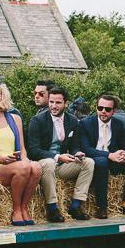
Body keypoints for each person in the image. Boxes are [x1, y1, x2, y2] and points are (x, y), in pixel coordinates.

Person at [0, 81, 42, 225]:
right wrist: (2, 159)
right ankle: (16, 209)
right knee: (23, 168)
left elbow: (22, 147)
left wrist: (24, 158)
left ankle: (24, 208)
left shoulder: (16, 119)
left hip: (15, 163)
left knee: (36, 167)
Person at [27, 86, 94, 222]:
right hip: (43, 163)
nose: (53, 106)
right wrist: (57, 157)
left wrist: (77, 153)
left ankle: (76, 206)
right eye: (51, 102)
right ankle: (52, 208)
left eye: (58, 103)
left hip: (62, 165)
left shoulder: (72, 120)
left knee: (89, 162)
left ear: (66, 104)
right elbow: (33, 150)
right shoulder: (37, 120)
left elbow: (74, 146)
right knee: (50, 163)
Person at [77, 94, 125, 217]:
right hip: (95, 161)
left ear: (114, 111)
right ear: (96, 108)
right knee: (101, 161)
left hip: (113, 161)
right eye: (100, 108)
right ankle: (101, 206)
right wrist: (109, 155)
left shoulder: (118, 124)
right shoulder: (85, 124)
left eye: (107, 109)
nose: (103, 111)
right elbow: (86, 149)